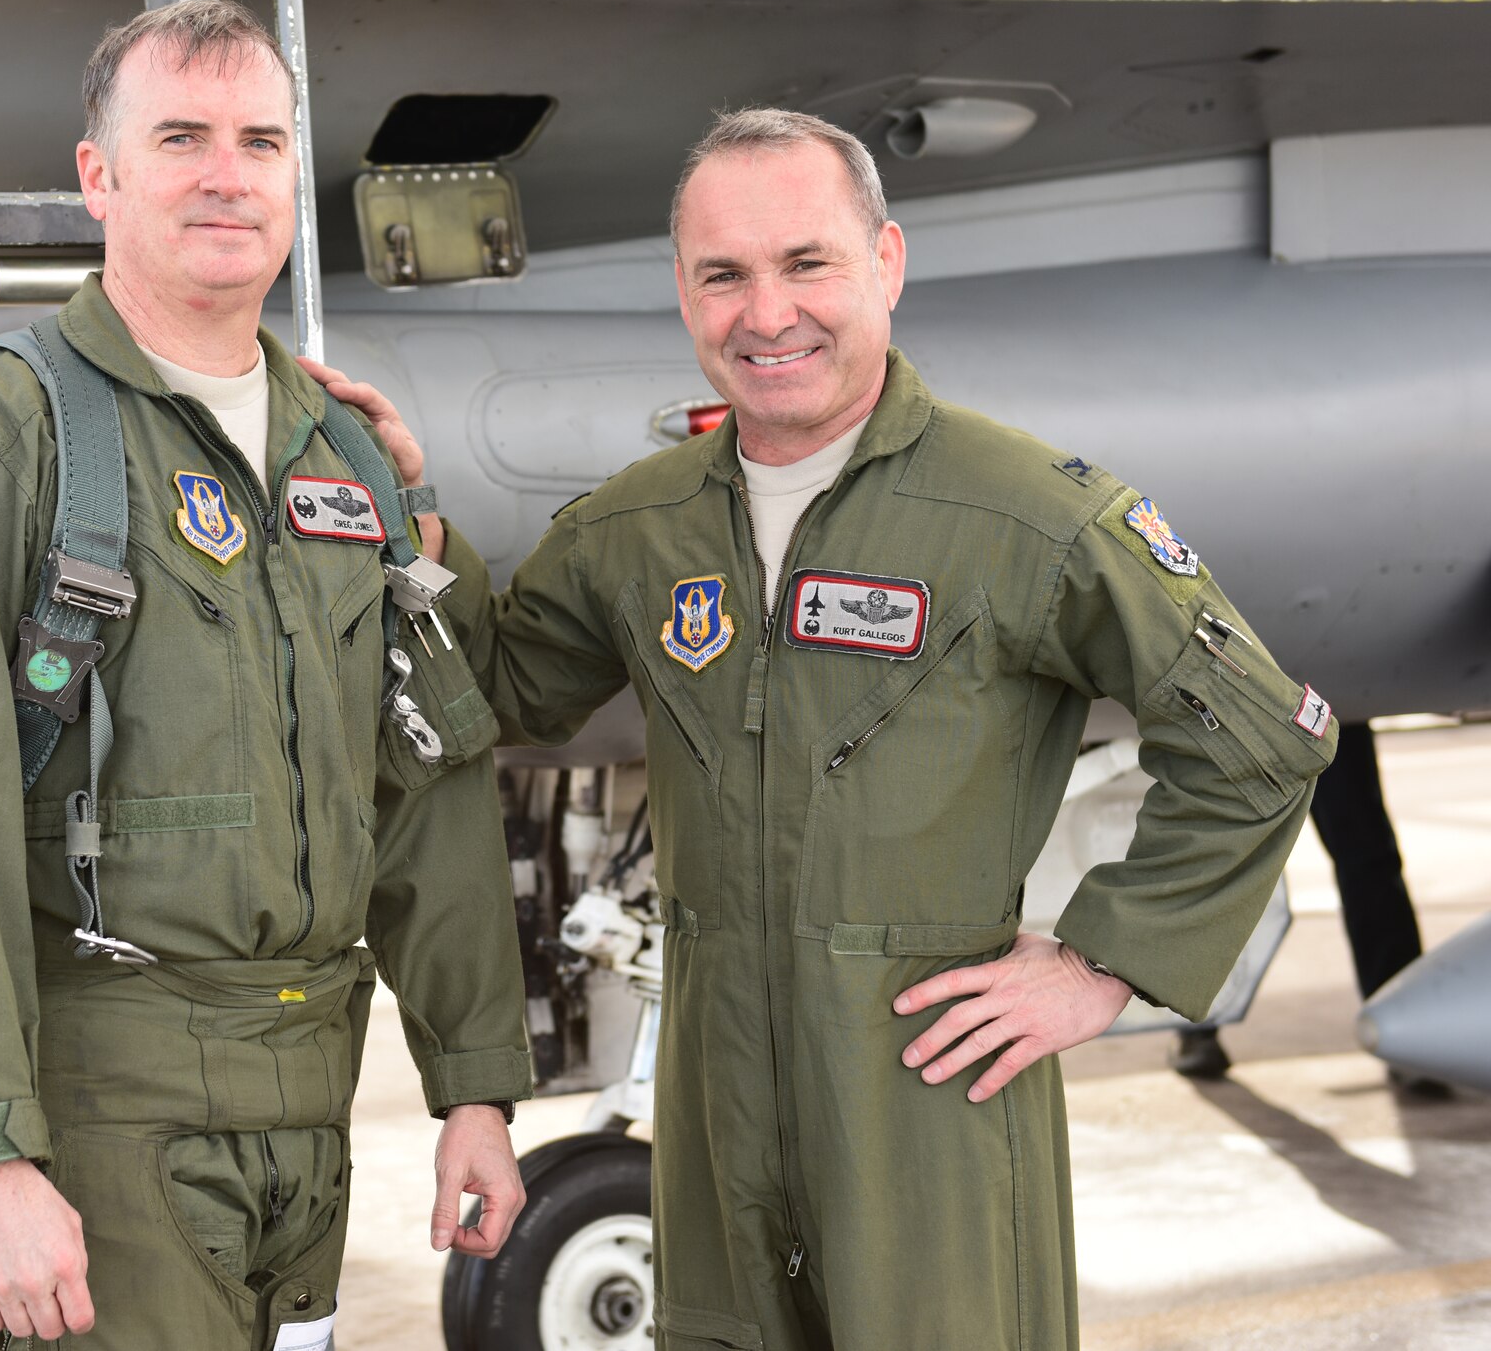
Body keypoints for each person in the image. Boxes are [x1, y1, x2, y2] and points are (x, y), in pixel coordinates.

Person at [319, 108, 1339, 1349]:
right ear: (684, 293)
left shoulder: (1024, 516)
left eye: (805, 263)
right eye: (724, 275)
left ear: (885, 263)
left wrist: (1097, 963)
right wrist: (408, 512)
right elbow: (494, 691)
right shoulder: (635, 531)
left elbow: (1258, 737)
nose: (766, 312)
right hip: (712, 1111)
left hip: (928, 1105)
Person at [0, 0, 531, 1351]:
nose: (225, 172)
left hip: (309, 1121)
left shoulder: (348, 461)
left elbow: (426, 773)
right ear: (102, 174)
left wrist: (473, 1089)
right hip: (101, 1131)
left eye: (259, 140)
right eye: (181, 136)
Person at [1172, 718, 1443, 1090]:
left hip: (1289, 695)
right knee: (1362, 854)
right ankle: (1196, 1023)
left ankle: (1407, 1030)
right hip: (1293, 697)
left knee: (1361, 855)